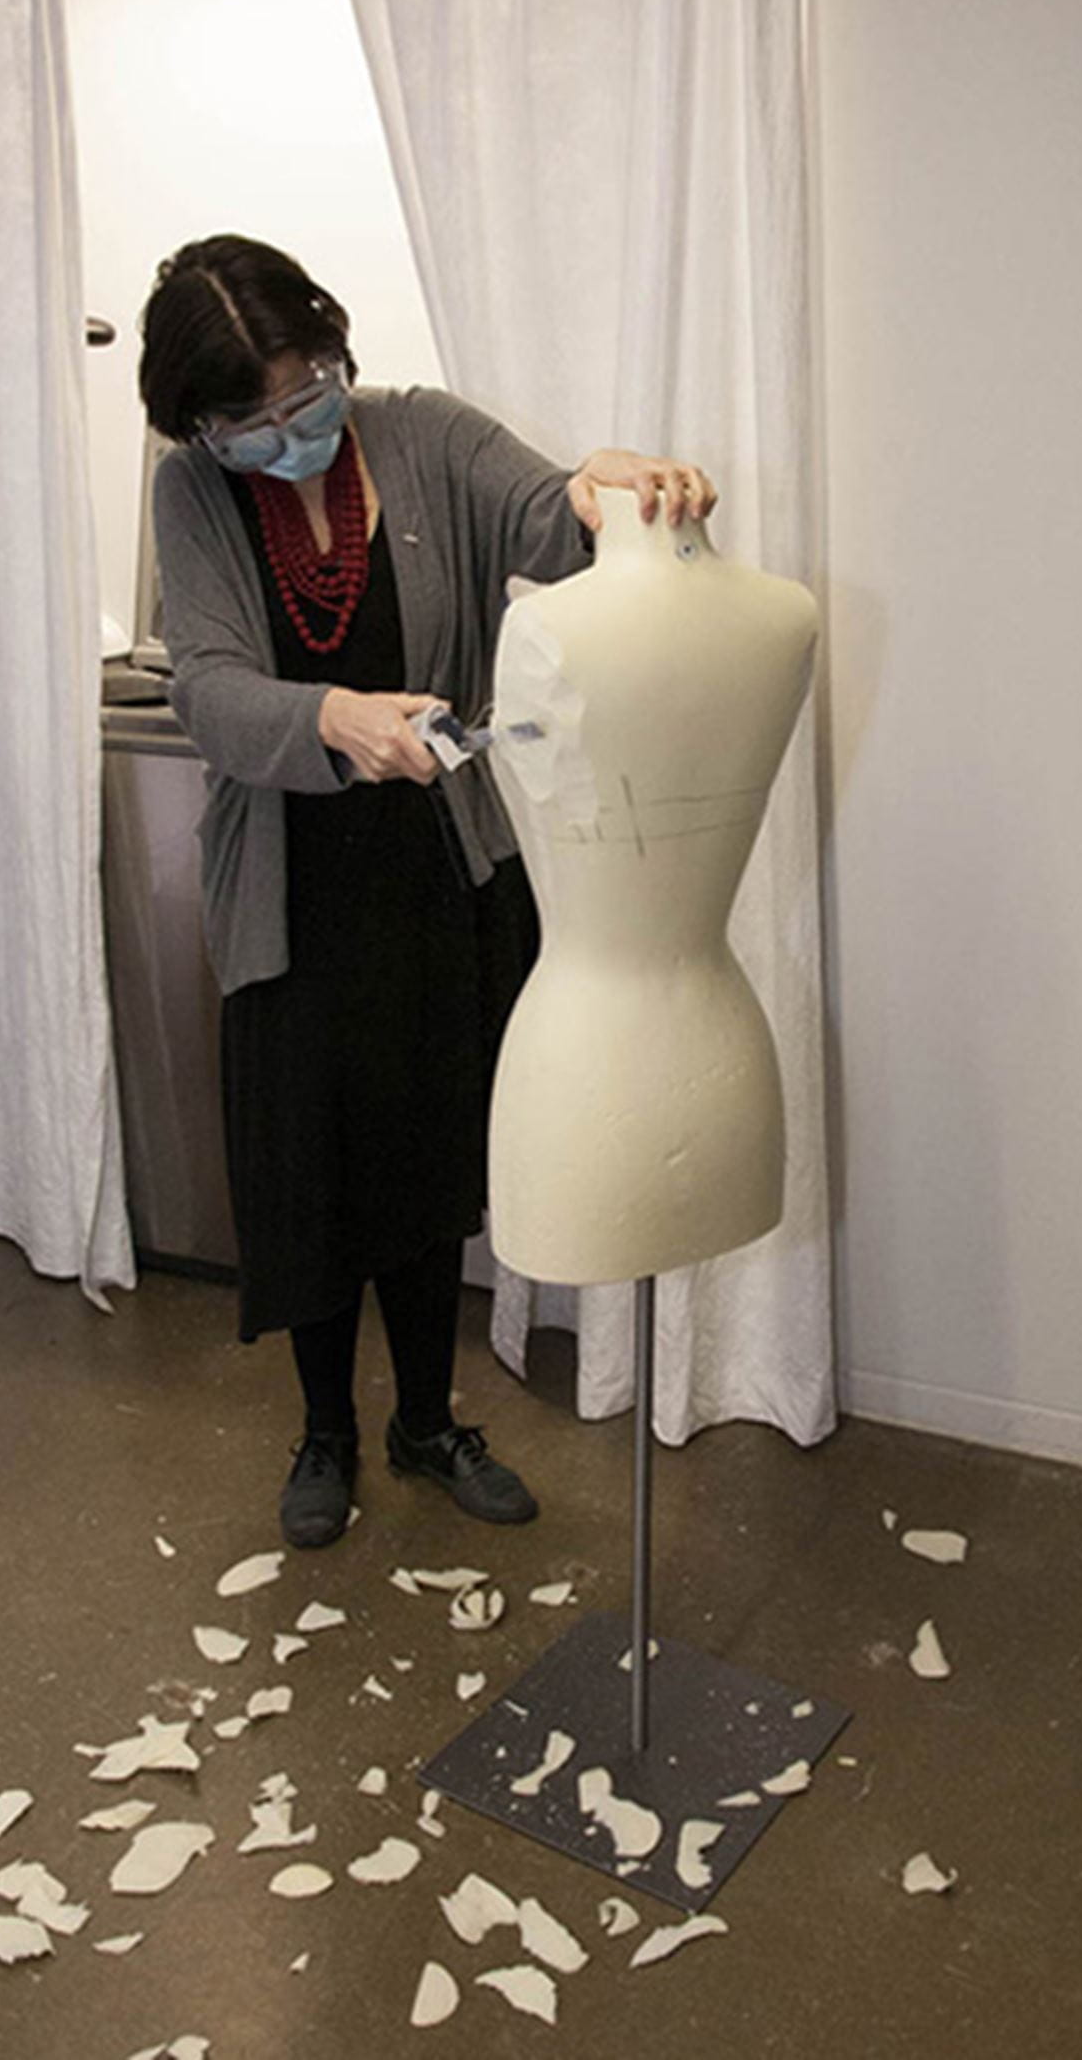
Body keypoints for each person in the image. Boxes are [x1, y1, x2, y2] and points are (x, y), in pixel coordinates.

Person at [138, 233, 717, 1551]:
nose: (292, 431)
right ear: (201, 423)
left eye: (310, 392)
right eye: (253, 419)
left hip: (439, 869)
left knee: (423, 1162)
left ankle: (428, 1421)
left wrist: (604, 488)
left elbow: (545, 510)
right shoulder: (196, 497)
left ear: (338, 353)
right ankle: (326, 1433)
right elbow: (209, 691)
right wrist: (334, 715)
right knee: (315, 1175)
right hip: (293, 888)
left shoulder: (419, 435)